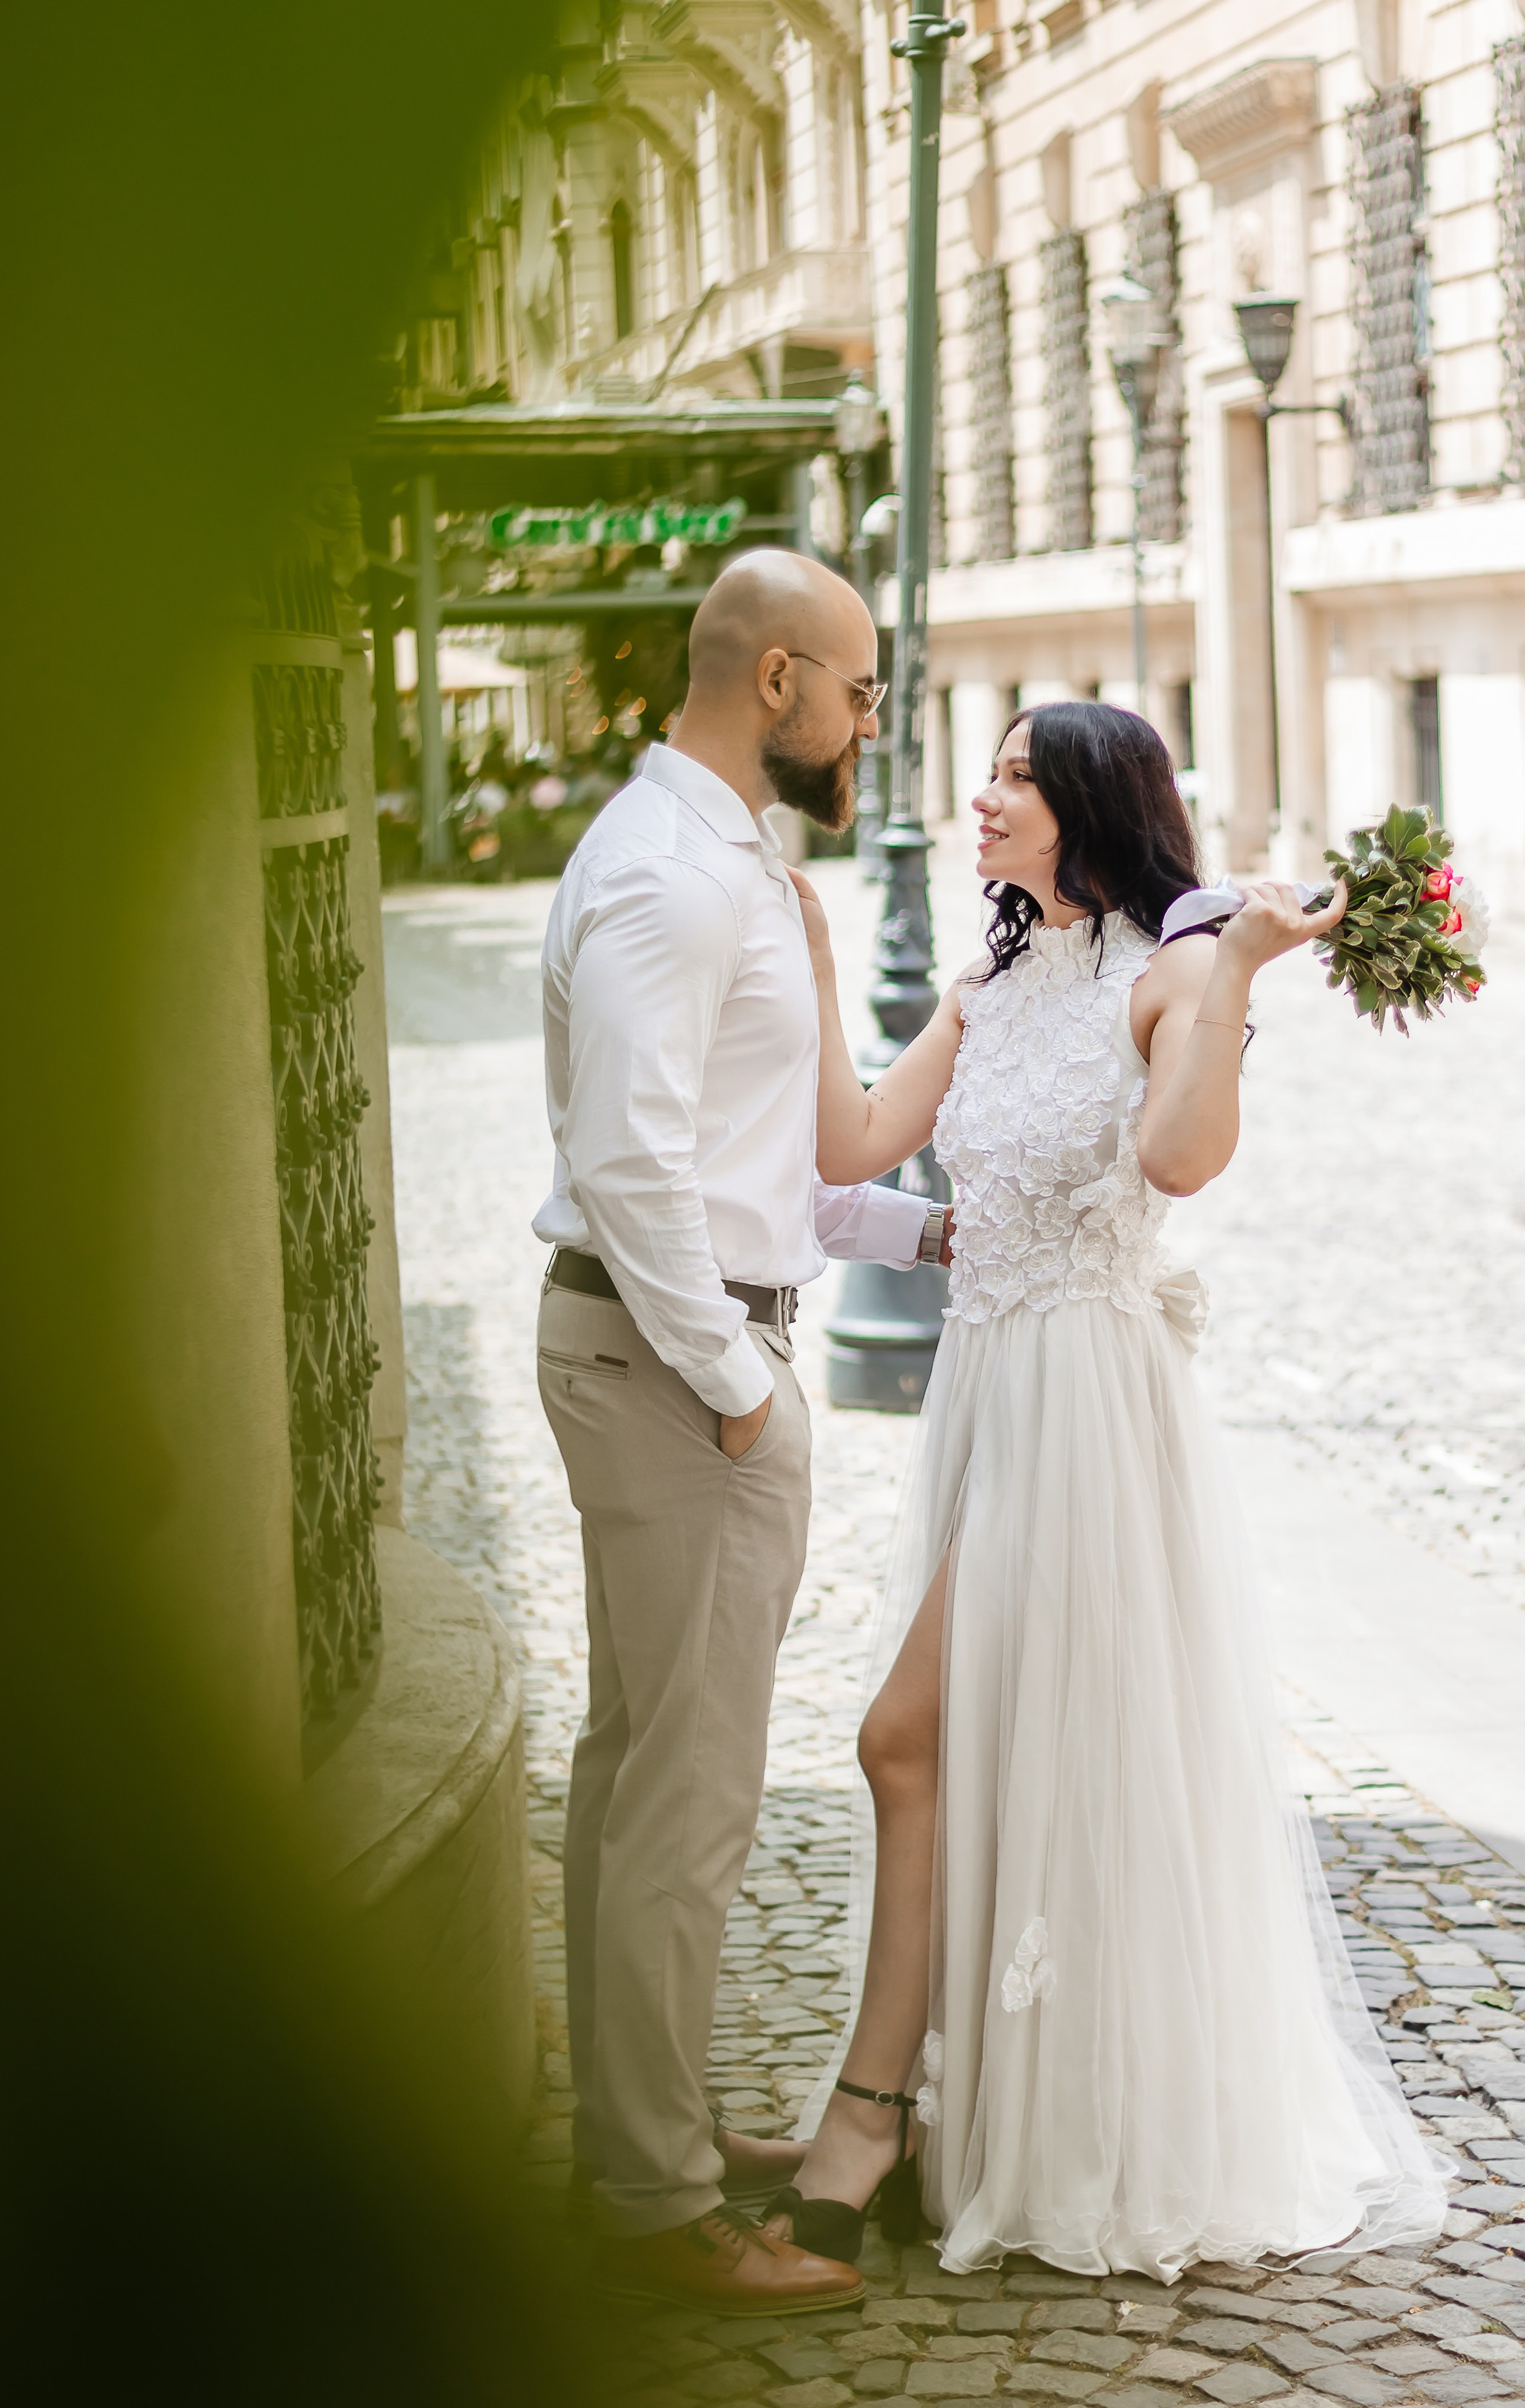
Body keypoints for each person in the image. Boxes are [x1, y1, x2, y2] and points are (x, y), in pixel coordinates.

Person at [764, 701, 1451, 2279]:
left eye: (1014, 776)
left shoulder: (1175, 968)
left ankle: (880, 2108)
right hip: (987, 1391)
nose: (984, 799)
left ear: (1088, 802)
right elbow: (858, 1132)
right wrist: (810, 965)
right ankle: (921, 2102)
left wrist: (1242, 979)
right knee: (966, 1750)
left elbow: (1179, 1158)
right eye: (989, 772)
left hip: (1087, 1399)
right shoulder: (993, 980)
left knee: (915, 1737)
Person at [532, 551, 941, 2314]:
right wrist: (742, 1385)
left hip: (670, 1355)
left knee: (636, 1778)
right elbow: (631, 1169)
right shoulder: (668, 881)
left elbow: (764, 1166)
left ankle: (649, 2130)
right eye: (858, 688)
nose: (869, 721)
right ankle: (653, 2198)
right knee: (684, 1799)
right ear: (775, 680)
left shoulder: (725, 863)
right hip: (673, 1371)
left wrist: (939, 1234)